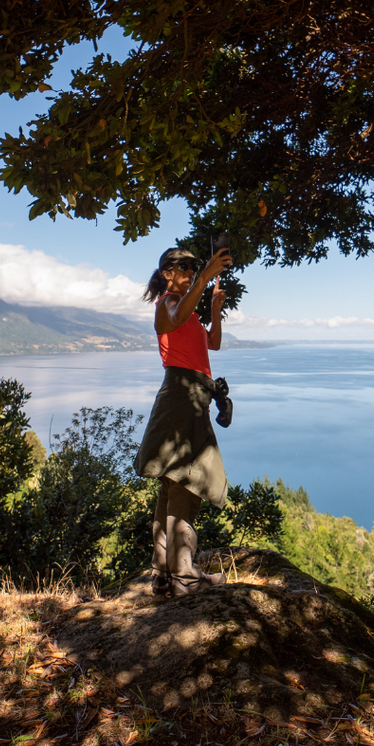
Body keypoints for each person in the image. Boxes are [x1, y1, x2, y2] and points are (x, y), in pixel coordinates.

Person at [135, 245, 233, 597]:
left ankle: (164, 575)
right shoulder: (167, 306)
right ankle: (185, 576)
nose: (191, 272)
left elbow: (214, 344)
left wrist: (215, 310)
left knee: (171, 484)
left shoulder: (188, 313)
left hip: (189, 398)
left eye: (194, 268)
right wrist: (206, 277)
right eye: (185, 267)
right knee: (188, 483)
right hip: (180, 397)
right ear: (167, 273)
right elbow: (174, 319)